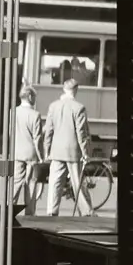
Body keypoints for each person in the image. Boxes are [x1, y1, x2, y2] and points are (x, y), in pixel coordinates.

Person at [44, 77, 90, 217]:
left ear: (64, 89)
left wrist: (47, 150)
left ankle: (52, 210)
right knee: (77, 182)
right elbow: (81, 133)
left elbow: (48, 130)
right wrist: (85, 153)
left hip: (57, 151)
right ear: (76, 90)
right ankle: (86, 211)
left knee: (55, 182)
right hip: (72, 152)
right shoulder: (79, 108)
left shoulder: (53, 106)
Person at [13, 85, 44, 216]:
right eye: (34, 97)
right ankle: (29, 214)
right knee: (31, 184)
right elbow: (37, 139)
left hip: (16, 152)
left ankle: (9, 210)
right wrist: (41, 156)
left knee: (15, 183)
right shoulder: (35, 115)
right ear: (30, 97)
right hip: (31, 154)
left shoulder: (13, 112)